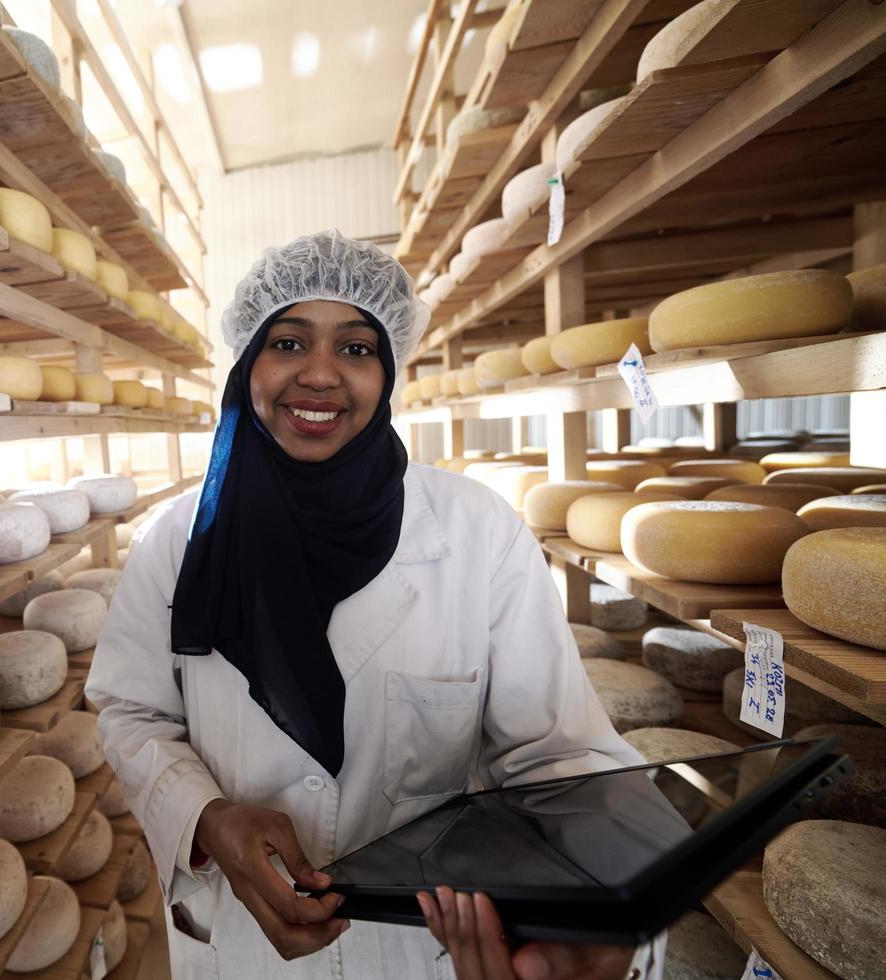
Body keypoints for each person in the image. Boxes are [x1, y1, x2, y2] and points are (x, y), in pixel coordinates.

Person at [85, 230, 661, 979]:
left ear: (388, 372)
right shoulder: (180, 542)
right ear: (247, 361)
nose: (319, 375)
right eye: (288, 342)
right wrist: (208, 818)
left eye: (356, 349)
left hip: (420, 948)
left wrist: (602, 911)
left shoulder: (476, 532)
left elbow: (560, 755)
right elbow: (132, 714)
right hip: (244, 944)